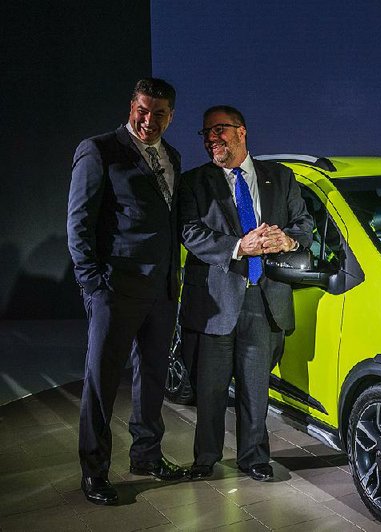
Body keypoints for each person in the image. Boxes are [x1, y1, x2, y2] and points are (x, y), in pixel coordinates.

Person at [67, 78, 188, 505]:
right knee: (100, 383)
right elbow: (78, 223)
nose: (148, 120)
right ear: (131, 106)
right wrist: (93, 286)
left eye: (158, 113)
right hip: (114, 289)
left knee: (152, 379)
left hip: (161, 291)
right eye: (142, 109)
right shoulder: (99, 149)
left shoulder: (172, 155)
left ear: (170, 117)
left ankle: (147, 456)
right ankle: (95, 472)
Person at [179, 105, 312, 481]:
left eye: (219, 130)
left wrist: (288, 239)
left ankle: (253, 458)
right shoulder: (193, 182)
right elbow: (191, 233)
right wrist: (240, 246)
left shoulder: (280, 177)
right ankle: (205, 459)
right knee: (210, 391)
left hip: (264, 299)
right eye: (205, 133)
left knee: (256, 389)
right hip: (216, 301)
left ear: (242, 132)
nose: (211, 139)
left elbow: (303, 224)